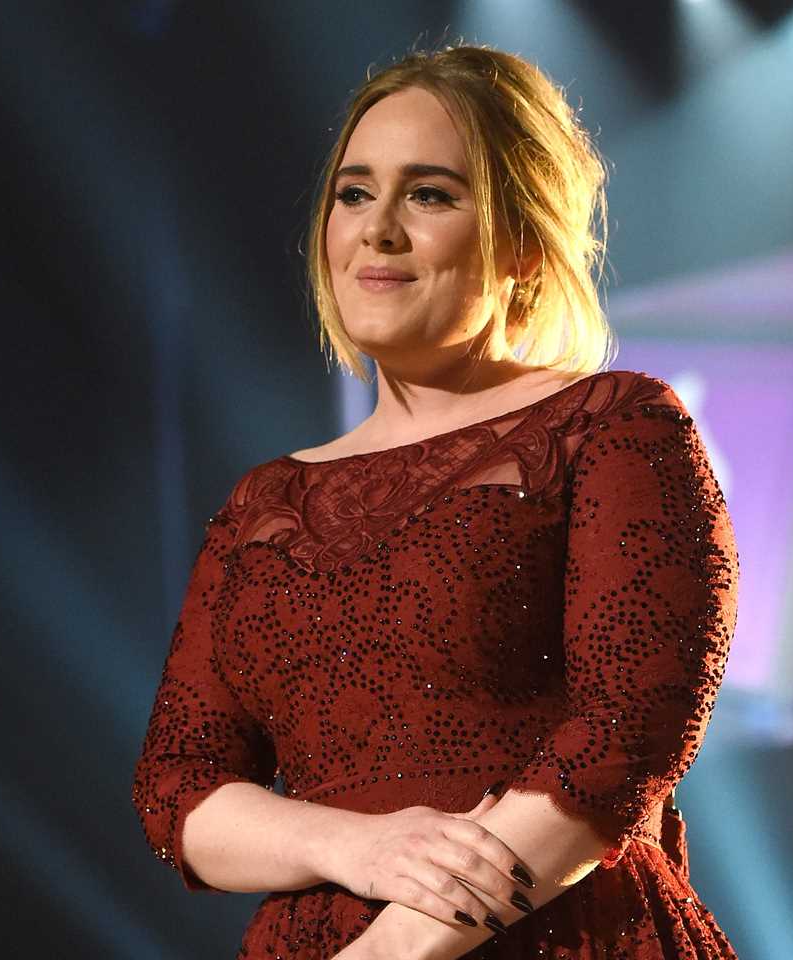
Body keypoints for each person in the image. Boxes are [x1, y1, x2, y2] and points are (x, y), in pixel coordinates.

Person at [133, 43, 740, 960]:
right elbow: (180, 787)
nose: (377, 229)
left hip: (552, 935)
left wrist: (393, 949)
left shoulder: (613, 425)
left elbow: (631, 731)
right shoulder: (265, 503)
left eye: (429, 194)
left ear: (525, 242)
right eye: (353, 192)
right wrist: (357, 845)